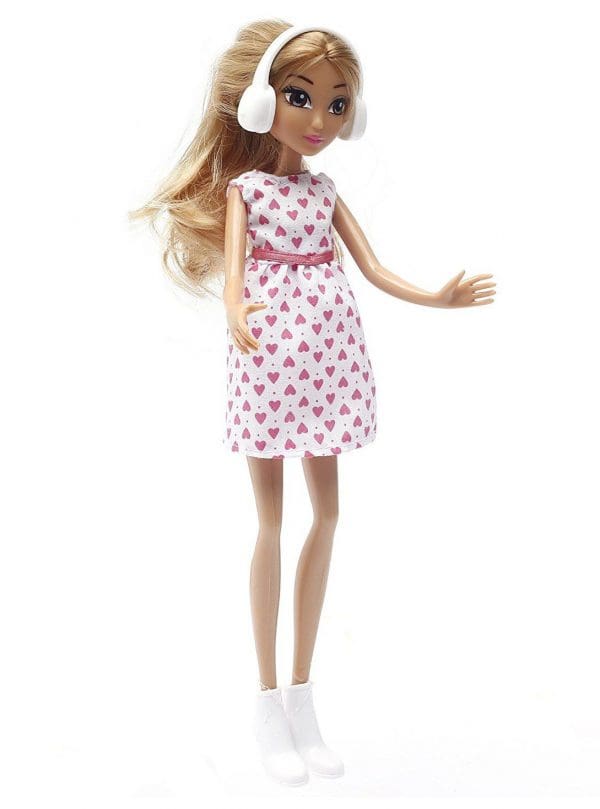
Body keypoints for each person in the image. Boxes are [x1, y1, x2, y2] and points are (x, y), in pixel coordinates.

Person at [129, 19, 495, 787]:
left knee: (327, 515)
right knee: (272, 521)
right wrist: (235, 309)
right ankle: (267, 703)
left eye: (336, 103)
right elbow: (234, 279)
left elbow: (374, 268)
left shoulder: (325, 192)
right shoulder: (246, 191)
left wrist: (436, 296)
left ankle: (303, 696)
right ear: (264, 102)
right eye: (302, 97)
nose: (321, 118)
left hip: (330, 356)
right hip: (268, 357)